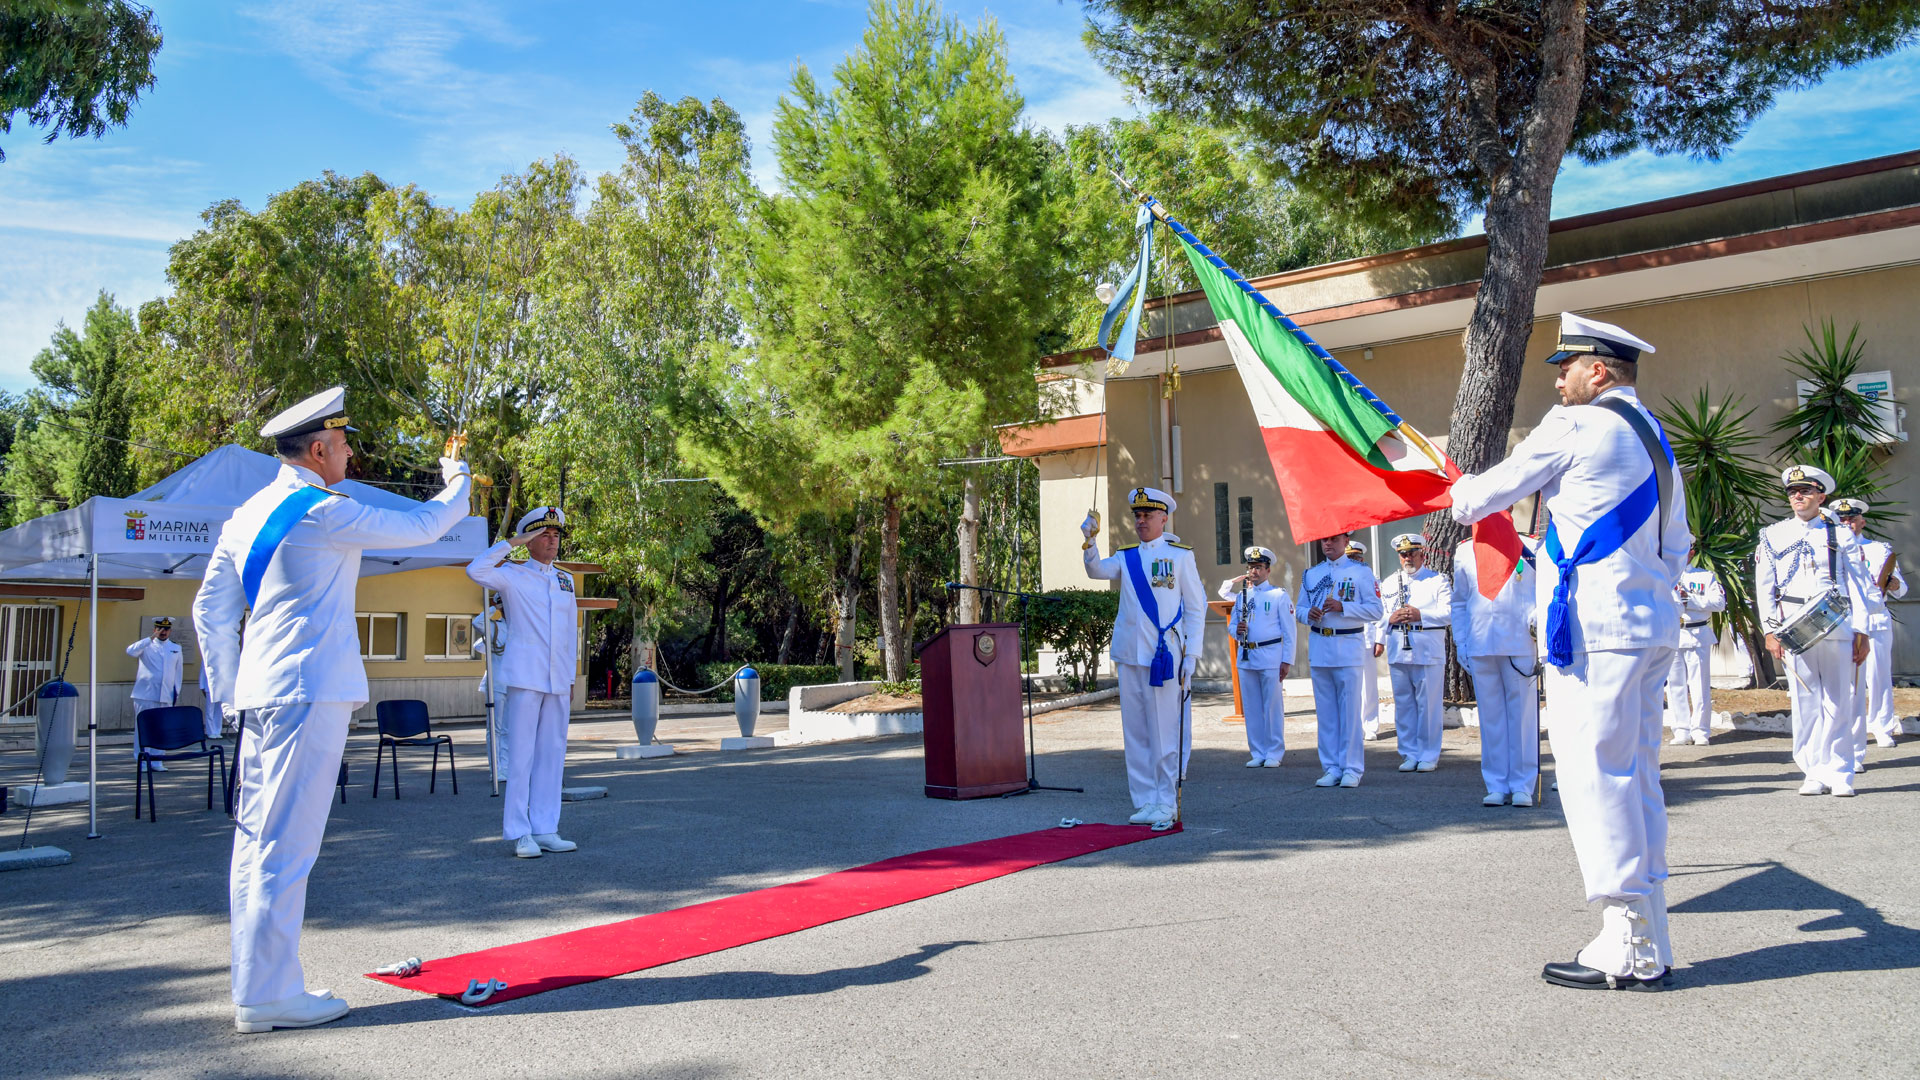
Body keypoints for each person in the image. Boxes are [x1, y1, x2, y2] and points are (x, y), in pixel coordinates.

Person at [194, 386, 471, 1033]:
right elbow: (426, 525)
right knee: (287, 848)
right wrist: (455, 475)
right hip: (309, 694)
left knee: (256, 845)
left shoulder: (245, 515)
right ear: (318, 449)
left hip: (264, 696)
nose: (350, 453)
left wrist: (231, 692)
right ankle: (269, 997)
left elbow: (209, 611)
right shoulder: (323, 511)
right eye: (344, 443)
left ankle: (261, 985)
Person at [1449, 312, 1689, 991]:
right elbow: (1678, 547)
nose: (1557, 380)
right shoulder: (1656, 439)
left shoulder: (1579, 424)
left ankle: (1628, 948)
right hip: (1645, 626)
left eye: (1566, 367)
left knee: (1595, 777)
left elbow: (1482, 498)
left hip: (1596, 632)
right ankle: (1651, 937)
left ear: (1600, 371)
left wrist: (1452, 486)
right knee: (1636, 777)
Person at [1082, 487, 1206, 827]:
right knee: (1135, 733)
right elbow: (1097, 572)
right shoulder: (1126, 556)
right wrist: (1090, 542)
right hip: (1129, 654)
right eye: (1137, 516)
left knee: (1165, 731)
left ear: (1164, 518)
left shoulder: (1180, 556)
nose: (1141, 521)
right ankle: (1145, 799)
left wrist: (1192, 654)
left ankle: (1167, 800)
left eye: (1148, 515)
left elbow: (1196, 608)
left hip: (1164, 657)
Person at [467, 507, 581, 858]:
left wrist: (571, 674)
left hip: (557, 678)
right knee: (521, 757)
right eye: (543, 535)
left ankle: (546, 828)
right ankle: (519, 832)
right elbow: (476, 570)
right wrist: (511, 543)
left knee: (552, 755)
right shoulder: (512, 575)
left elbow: (568, 631)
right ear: (529, 541)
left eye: (556, 535)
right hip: (526, 677)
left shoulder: (565, 580)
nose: (552, 541)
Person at [1756, 469, 1873, 796]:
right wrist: (1769, 630)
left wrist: (1861, 630)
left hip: (1835, 623)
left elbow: (1861, 586)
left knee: (1838, 700)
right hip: (1792, 625)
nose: (1798, 497)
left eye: (1805, 491)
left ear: (1821, 496)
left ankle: (1840, 772)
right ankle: (1812, 770)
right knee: (1806, 700)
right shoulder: (1773, 534)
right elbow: (1764, 586)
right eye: (1793, 491)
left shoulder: (1839, 534)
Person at [1451, 531, 1540, 806]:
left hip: (1518, 640)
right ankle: (1496, 783)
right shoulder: (1466, 550)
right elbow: (1460, 600)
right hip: (1481, 641)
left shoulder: (1530, 544)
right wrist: (1462, 641)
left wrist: (1537, 619)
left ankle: (1523, 784)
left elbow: (1541, 590)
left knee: (1522, 718)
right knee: (1491, 719)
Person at [1296, 531, 1382, 789]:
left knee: (1349, 713)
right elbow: (1299, 608)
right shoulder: (1312, 574)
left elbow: (1376, 610)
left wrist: (1344, 607)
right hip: (1321, 645)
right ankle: (1331, 766)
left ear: (1346, 541)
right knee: (1326, 714)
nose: (1327, 544)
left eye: (1333, 539)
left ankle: (1352, 768)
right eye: (1324, 540)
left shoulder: (1360, 572)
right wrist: (1307, 614)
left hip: (1348, 647)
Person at [1833, 498, 1906, 756]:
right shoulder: (1830, 549)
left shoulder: (1879, 549)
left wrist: (1895, 584)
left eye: (1851, 518)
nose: (1847, 523)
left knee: (1879, 676)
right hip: (1847, 621)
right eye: (1842, 519)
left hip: (1876, 619)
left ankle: (1882, 726)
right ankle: (1852, 735)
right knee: (1851, 682)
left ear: (1862, 521)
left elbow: (1899, 586)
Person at [1375, 534, 1452, 773]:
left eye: (1412, 553)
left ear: (1422, 555)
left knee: (1427, 706)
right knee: (1404, 705)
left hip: (1427, 650)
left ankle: (1429, 754)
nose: (1407, 558)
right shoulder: (1388, 583)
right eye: (1403, 554)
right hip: (1399, 648)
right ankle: (1408, 753)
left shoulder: (1437, 580)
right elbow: (1377, 615)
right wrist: (1390, 618)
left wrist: (1421, 615)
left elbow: (1449, 613)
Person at [1219, 545, 1295, 768]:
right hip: (1246, 654)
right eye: (1251, 567)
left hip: (1270, 654)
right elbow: (1232, 626)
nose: (1255, 572)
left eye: (1259, 567)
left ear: (1268, 570)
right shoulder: (1243, 596)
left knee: (1272, 706)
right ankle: (1258, 751)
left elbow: (1289, 631)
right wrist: (1237, 630)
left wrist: (1287, 660)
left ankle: (1274, 751)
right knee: (1251, 707)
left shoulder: (1279, 595)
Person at [1665, 547, 1726, 746]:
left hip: (1697, 633)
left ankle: (1700, 730)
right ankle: (1681, 729)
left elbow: (1719, 603)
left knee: (1699, 685)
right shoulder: (1664, 576)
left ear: (1691, 553)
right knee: (1675, 686)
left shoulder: (1705, 577)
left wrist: (1689, 600)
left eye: (1686, 550)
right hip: (1674, 633)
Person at [125, 617, 183, 771]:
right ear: (155, 630)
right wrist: (150, 638)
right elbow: (130, 651)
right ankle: (142, 760)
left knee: (162, 728)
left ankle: (158, 760)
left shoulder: (176, 648)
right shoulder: (146, 645)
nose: (163, 632)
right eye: (160, 629)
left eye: (166, 629)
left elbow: (178, 674)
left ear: (170, 631)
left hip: (165, 695)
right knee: (143, 728)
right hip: (145, 694)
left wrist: (176, 692)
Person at [1348, 540, 1385, 740]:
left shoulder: (1373, 580)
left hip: (1366, 637)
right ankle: (1353, 725)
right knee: (1349, 684)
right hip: (1345, 639)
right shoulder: (1340, 579)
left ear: (1362, 559)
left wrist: (1380, 639)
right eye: (1349, 558)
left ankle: (1370, 725)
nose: (1353, 561)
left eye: (1356, 557)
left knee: (1368, 685)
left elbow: (1382, 612)